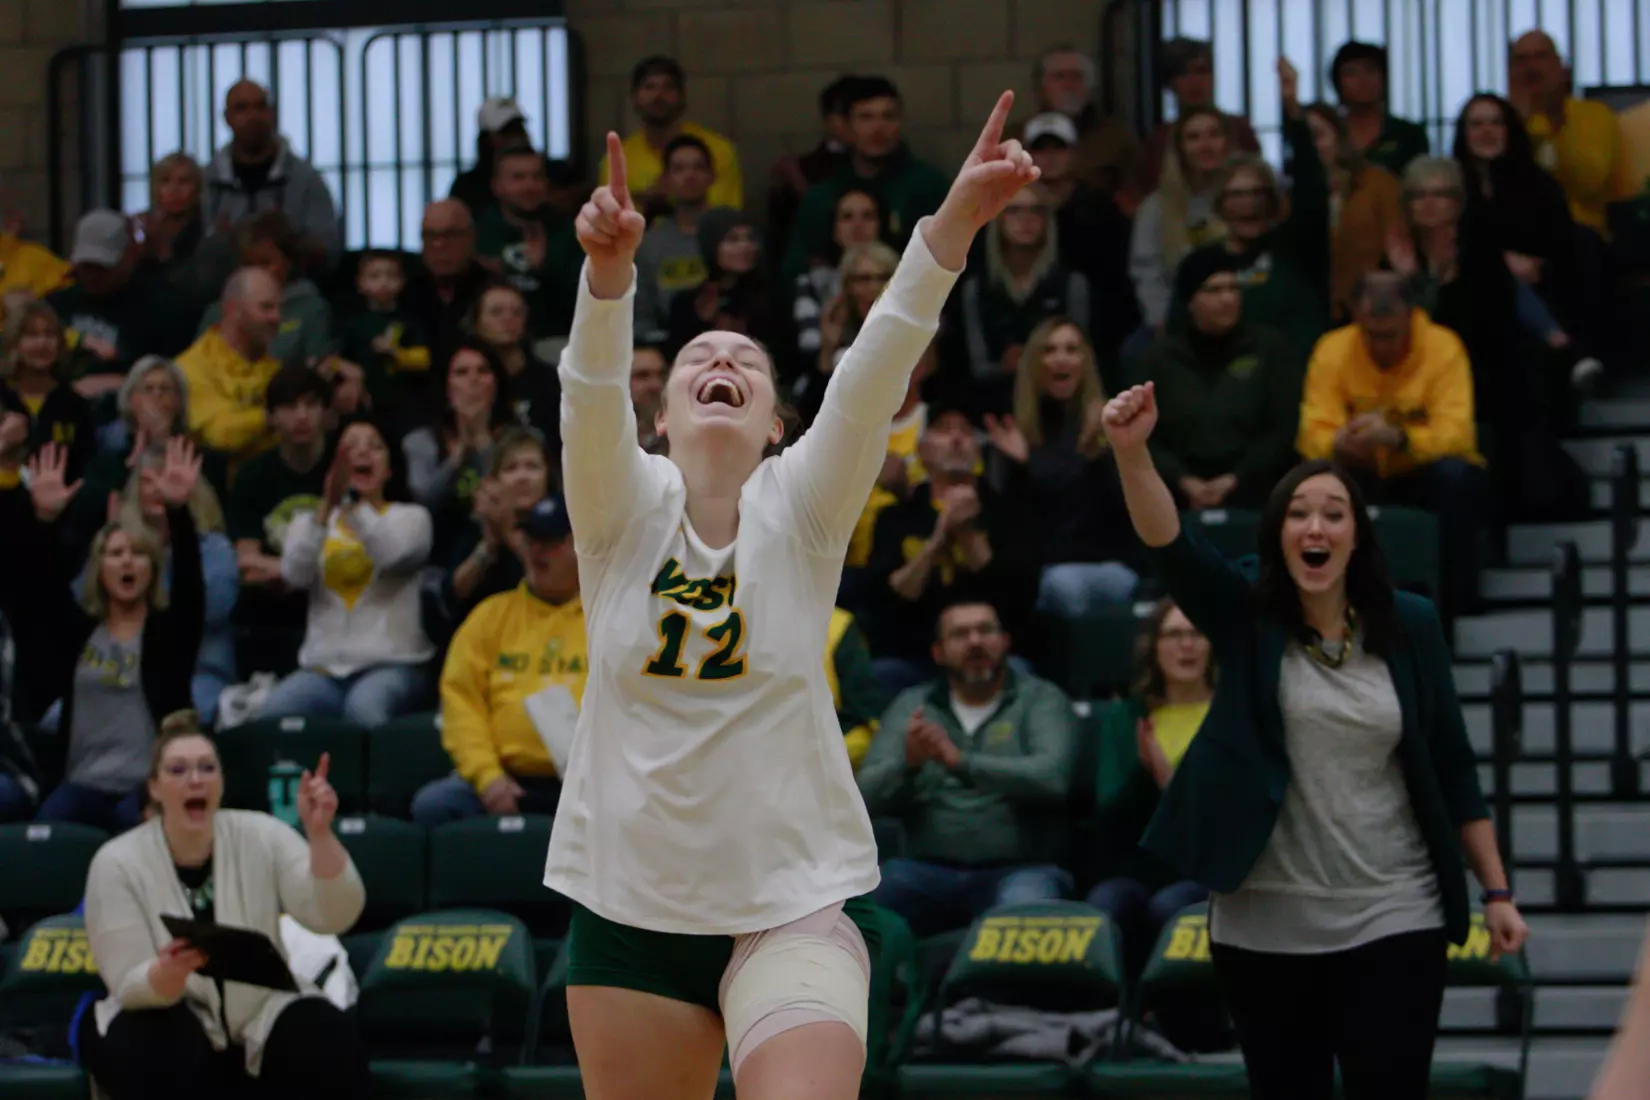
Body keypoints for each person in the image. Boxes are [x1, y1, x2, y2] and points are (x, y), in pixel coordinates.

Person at [546, 92, 1034, 1100]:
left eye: (746, 363)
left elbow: (874, 366)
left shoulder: (804, 508)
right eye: (696, 359)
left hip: (791, 900)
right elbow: (587, 398)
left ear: (775, 423)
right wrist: (608, 278)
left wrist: (953, 225)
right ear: (663, 412)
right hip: (630, 906)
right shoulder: (616, 511)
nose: (720, 361)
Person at [1098, 379, 1528, 1100]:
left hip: (1395, 909)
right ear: (1278, 535)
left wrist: (1498, 890)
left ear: (1357, 534)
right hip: (1264, 925)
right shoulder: (1245, 615)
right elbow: (1172, 546)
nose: (1315, 528)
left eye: (1333, 513)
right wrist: (1132, 453)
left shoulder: (1410, 623)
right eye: (1298, 514)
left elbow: (1452, 762)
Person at [79, 715, 367, 1099]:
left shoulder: (263, 834)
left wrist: (319, 836)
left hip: (261, 1009)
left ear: (221, 782)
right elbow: (127, 982)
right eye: (178, 770)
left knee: (323, 1032)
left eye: (206, 768)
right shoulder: (115, 861)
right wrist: (165, 974)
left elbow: (333, 914)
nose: (195, 779)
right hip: (166, 1007)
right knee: (154, 1040)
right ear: (155, 789)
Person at [7, 439, 203, 833]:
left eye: (138, 553)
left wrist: (178, 513)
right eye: (115, 554)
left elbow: (190, 587)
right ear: (99, 569)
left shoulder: (169, 632)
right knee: (43, 838)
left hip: (147, 788)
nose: (127, 561)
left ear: (152, 567)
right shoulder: (78, 631)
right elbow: (36, 586)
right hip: (81, 784)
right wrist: (43, 521)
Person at [857, 599, 1076, 937]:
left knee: (1024, 915)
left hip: (1021, 870)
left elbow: (1052, 778)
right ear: (938, 652)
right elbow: (865, 798)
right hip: (922, 871)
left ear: (1005, 642)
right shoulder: (913, 705)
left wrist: (960, 761)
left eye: (985, 630)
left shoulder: (1041, 699)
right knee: (860, 913)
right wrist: (909, 764)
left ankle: (994, 994)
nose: (975, 641)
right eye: (960, 634)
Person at [1297, 272, 1488, 616]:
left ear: (1411, 315)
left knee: (1456, 477)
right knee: (1316, 479)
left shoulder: (1443, 347)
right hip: (1360, 467)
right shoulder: (1332, 349)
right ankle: (1325, 608)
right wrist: (1337, 442)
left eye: (1391, 335)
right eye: (1371, 334)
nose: (1381, 344)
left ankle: (1456, 607)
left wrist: (1401, 439)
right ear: (1357, 317)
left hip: (1420, 470)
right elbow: (1312, 430)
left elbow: (1458, 433)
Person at [412, 493, 586, 826]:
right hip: (507, 777)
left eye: (550, 542)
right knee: (434, 805)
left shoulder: (606, 616)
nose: (537, 550)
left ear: (580, 546)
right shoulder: (491, 616)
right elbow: (460, 703)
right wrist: (488, 776)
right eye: (532, 539)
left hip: (588, 783)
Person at [259, 419, 434, 727]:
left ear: (389, 468)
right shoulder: (308, 523)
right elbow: (295, 575)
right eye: (351, 446)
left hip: (391, 665)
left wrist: (351, 506)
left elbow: (391, 555)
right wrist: (327, 507)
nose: (363, 451)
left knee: (363, 710)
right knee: (273, 713)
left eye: (375, 446)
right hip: (323, 670)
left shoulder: (411, 518)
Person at [1085, 599, 1214, 975]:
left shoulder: (1233, 714)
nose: (1186, 645)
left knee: (1169, 907)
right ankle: (1111, 1018)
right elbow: (1109, 810)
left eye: (1196, 634)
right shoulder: (1128, 717)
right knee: (1104, 904)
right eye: (1173, 634)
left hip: (1209, 873)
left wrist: (1173, 789)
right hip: (1139, 866)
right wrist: (1147, 777)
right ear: (1154, 647)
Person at [982, 317, 1136, 619]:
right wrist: (1022, 468)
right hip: (1047, 569)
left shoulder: (1109, 423)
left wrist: (1033, 464)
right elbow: (1014, 526)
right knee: (1066, 587)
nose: (1061, 358)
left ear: (1085, 361)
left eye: (1071, 349)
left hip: (1111, 562)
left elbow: (1121, 505)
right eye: (1049, 350)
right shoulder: (1016, 430)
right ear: (1034, 363)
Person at [1132, 248, 1301, 511]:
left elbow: (1282, 431)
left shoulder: (1270, 349)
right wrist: (1183, 480)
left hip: (1256, 492)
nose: (1227, 298)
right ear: (1189, 300)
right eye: (1213, 290)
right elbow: (1145, 437)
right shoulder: (1157, 360)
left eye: (1233, 288)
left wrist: (1235, 478)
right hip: (1173, 496)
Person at [225, 365, 331, 679]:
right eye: (289, 406)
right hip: (272, 614)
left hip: (336, 609)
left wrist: (283, 570)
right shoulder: (252, 476)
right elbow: (247, 564)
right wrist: (307, 571)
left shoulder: (345, 469)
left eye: (311, 404)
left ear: (325, 412)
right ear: (272, 417)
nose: (301, 416)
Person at [956, 182, 1091, 413]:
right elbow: (976, 367)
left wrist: (1032, 360)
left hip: (1058, 404)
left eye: (1036, 211)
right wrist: (1005, 367)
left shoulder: (1071, 284)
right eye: (1013, 210)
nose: (1026, 219)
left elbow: (1082, 361)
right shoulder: (976, 287)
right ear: (997, 218)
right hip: (992, 405)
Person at [202, 80, 341, 270]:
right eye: (242, 108)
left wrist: (287, 241)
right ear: (227, 117)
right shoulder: (206, 181)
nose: (253, 116)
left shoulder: (305, 179)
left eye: (260, 106)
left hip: (291, 291)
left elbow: (329, 250)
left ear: (272, 113)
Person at [1299, 102, 1403, 322]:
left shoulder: (1378, 185)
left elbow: (1397, 250)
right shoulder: (1292, 198)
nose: (1311, 147)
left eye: (1317, 136)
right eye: (1303, 140)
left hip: (1371, 309)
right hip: (1310, 313)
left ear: (1339, 137)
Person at [600, 56, 744, 213]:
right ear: (634, 98)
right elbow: (610, 219)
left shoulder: (720, 150)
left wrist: (650, 198)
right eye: (649, 87)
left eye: (668, 87)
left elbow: (725, 218)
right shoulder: (615, 159)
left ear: (682, 97)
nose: (658, 96)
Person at [196, 210, 335, 371]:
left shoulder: (312, 310)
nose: (258, 272)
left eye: (266, 262)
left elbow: (320, 369)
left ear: (289, 261)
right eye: (249, 264)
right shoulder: (217, 312)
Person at [176, 267, 285, 466]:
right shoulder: (192, 367)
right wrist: (274, 419)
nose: (276, 318)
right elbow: (220, 434)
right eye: (266, 307)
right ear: (232, 310)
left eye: (279, 308)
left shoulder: (276, 369)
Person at [634, 135, 721, 341]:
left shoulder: (735, 237)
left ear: (712, 176)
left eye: (698, 168)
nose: (690, 175)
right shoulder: (649, 244)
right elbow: (641, 316)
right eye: (679, 169)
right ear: (665, 180)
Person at [0, 300, 94, 482]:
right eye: (32, 335)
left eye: (49, 335)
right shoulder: (2, 395)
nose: (42, 343)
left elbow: (84, 467)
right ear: (14, 342)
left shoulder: (75, 405)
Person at [1328, 42, 1429, 176]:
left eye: (1370, 70)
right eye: (1351, 72)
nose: (1362, 80)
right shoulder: (1328, 133)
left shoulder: (1408, 135)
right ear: (1338, 82)